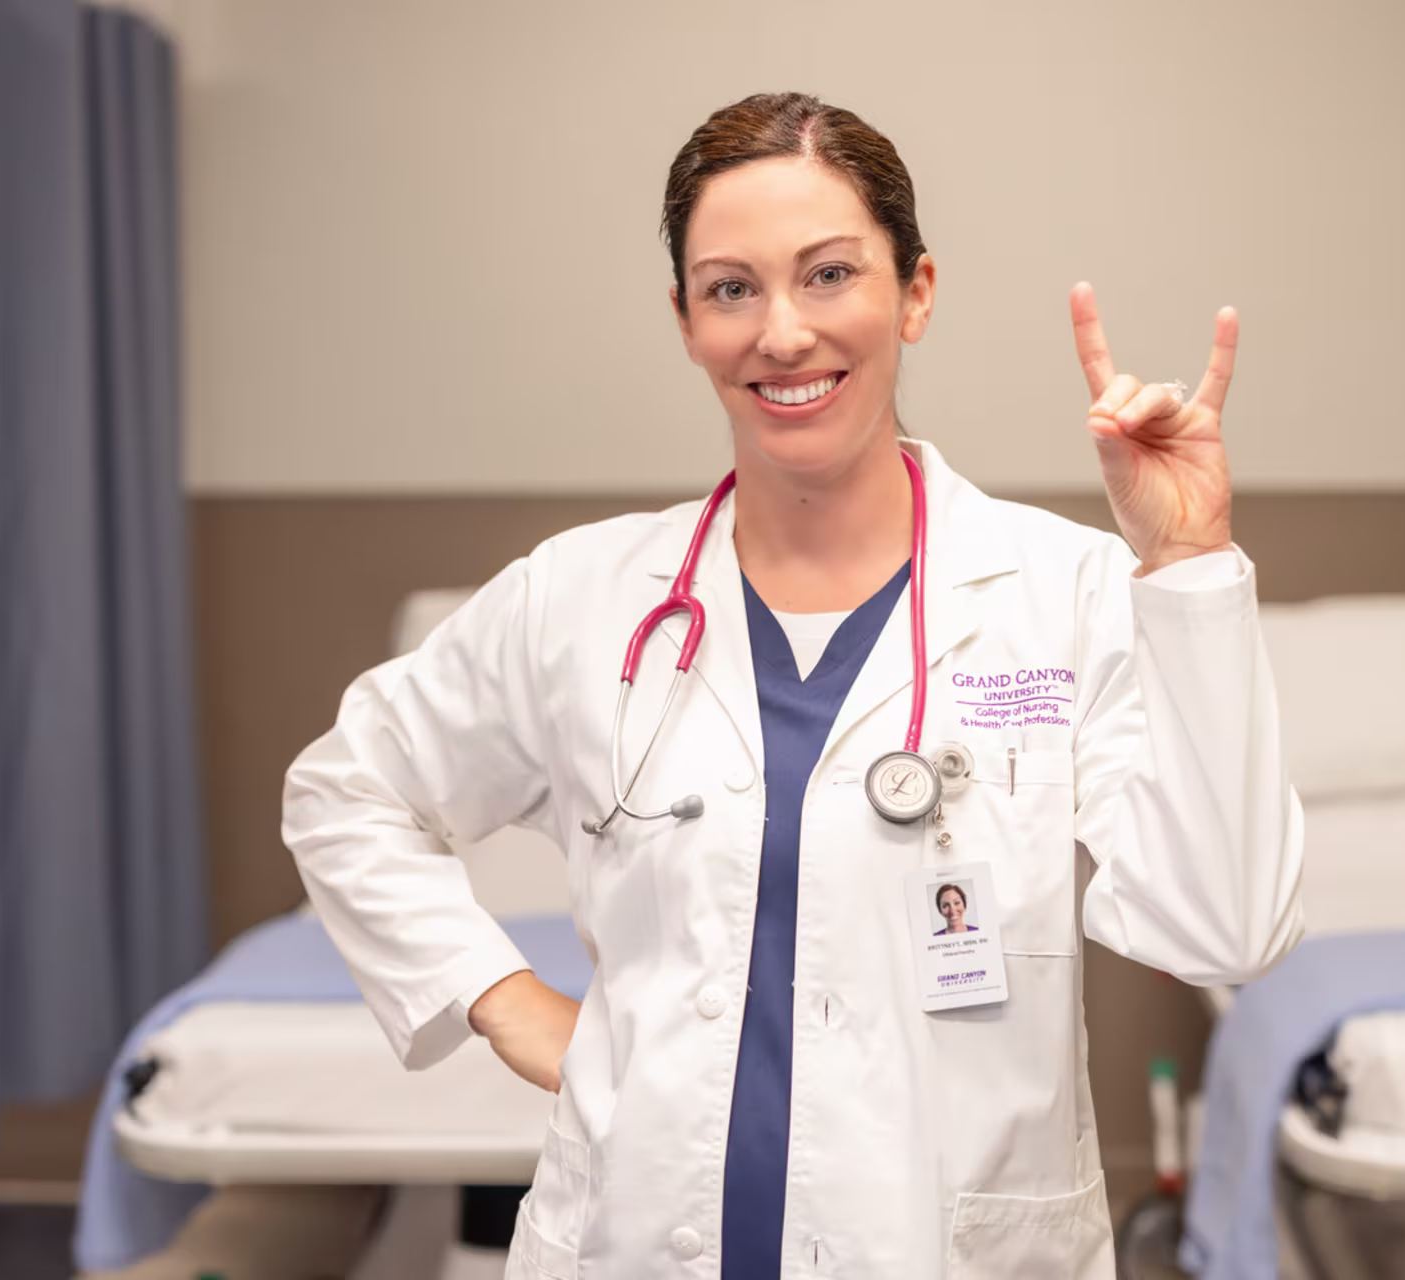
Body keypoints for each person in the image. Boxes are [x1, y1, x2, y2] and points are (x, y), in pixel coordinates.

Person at [284, 91, 1304, 1280]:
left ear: (915, 291)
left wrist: (1186, 571)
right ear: (684, 319)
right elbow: (347, 789)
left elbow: (1226, 928)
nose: (781, 332)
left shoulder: (1063, 592)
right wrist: (500, 996)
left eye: (829, 275)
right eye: (730, 287)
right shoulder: (582, 595)